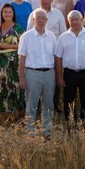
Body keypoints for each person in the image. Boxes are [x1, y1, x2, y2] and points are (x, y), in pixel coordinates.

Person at [54, 10, 85, 128]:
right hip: (69, 74)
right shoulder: (63, 37)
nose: (74, 22)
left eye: (76, 19)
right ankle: (71, 126)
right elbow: (58, 58)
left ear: (82, 20)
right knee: (69, 102)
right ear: (68, 22)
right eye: (72, 20)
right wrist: (59, 76)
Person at [18, 9, 57, 137]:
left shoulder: (51, 36)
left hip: (49, 73)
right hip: (32, 73)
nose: (41, 20)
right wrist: (21, 78)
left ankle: (47, 132)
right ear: (33, 20)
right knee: (31, 104)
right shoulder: (26, 36)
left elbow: (55, 56)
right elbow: (22, 59)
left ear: (47, 20)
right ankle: (31, 133)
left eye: (43, 18)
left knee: (48, 104)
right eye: (38, 18)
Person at [0, 3, 26, 118]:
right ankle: (9, 116)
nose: (7, 14)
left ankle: (19, 114)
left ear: (13, 14)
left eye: (10, 12)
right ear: (2, 14)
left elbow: (23, 46)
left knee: (15, 86)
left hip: (14, 62)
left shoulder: (18, 28)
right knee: (4, 87)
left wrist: (5, 46)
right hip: (1, 62)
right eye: (5, 12)